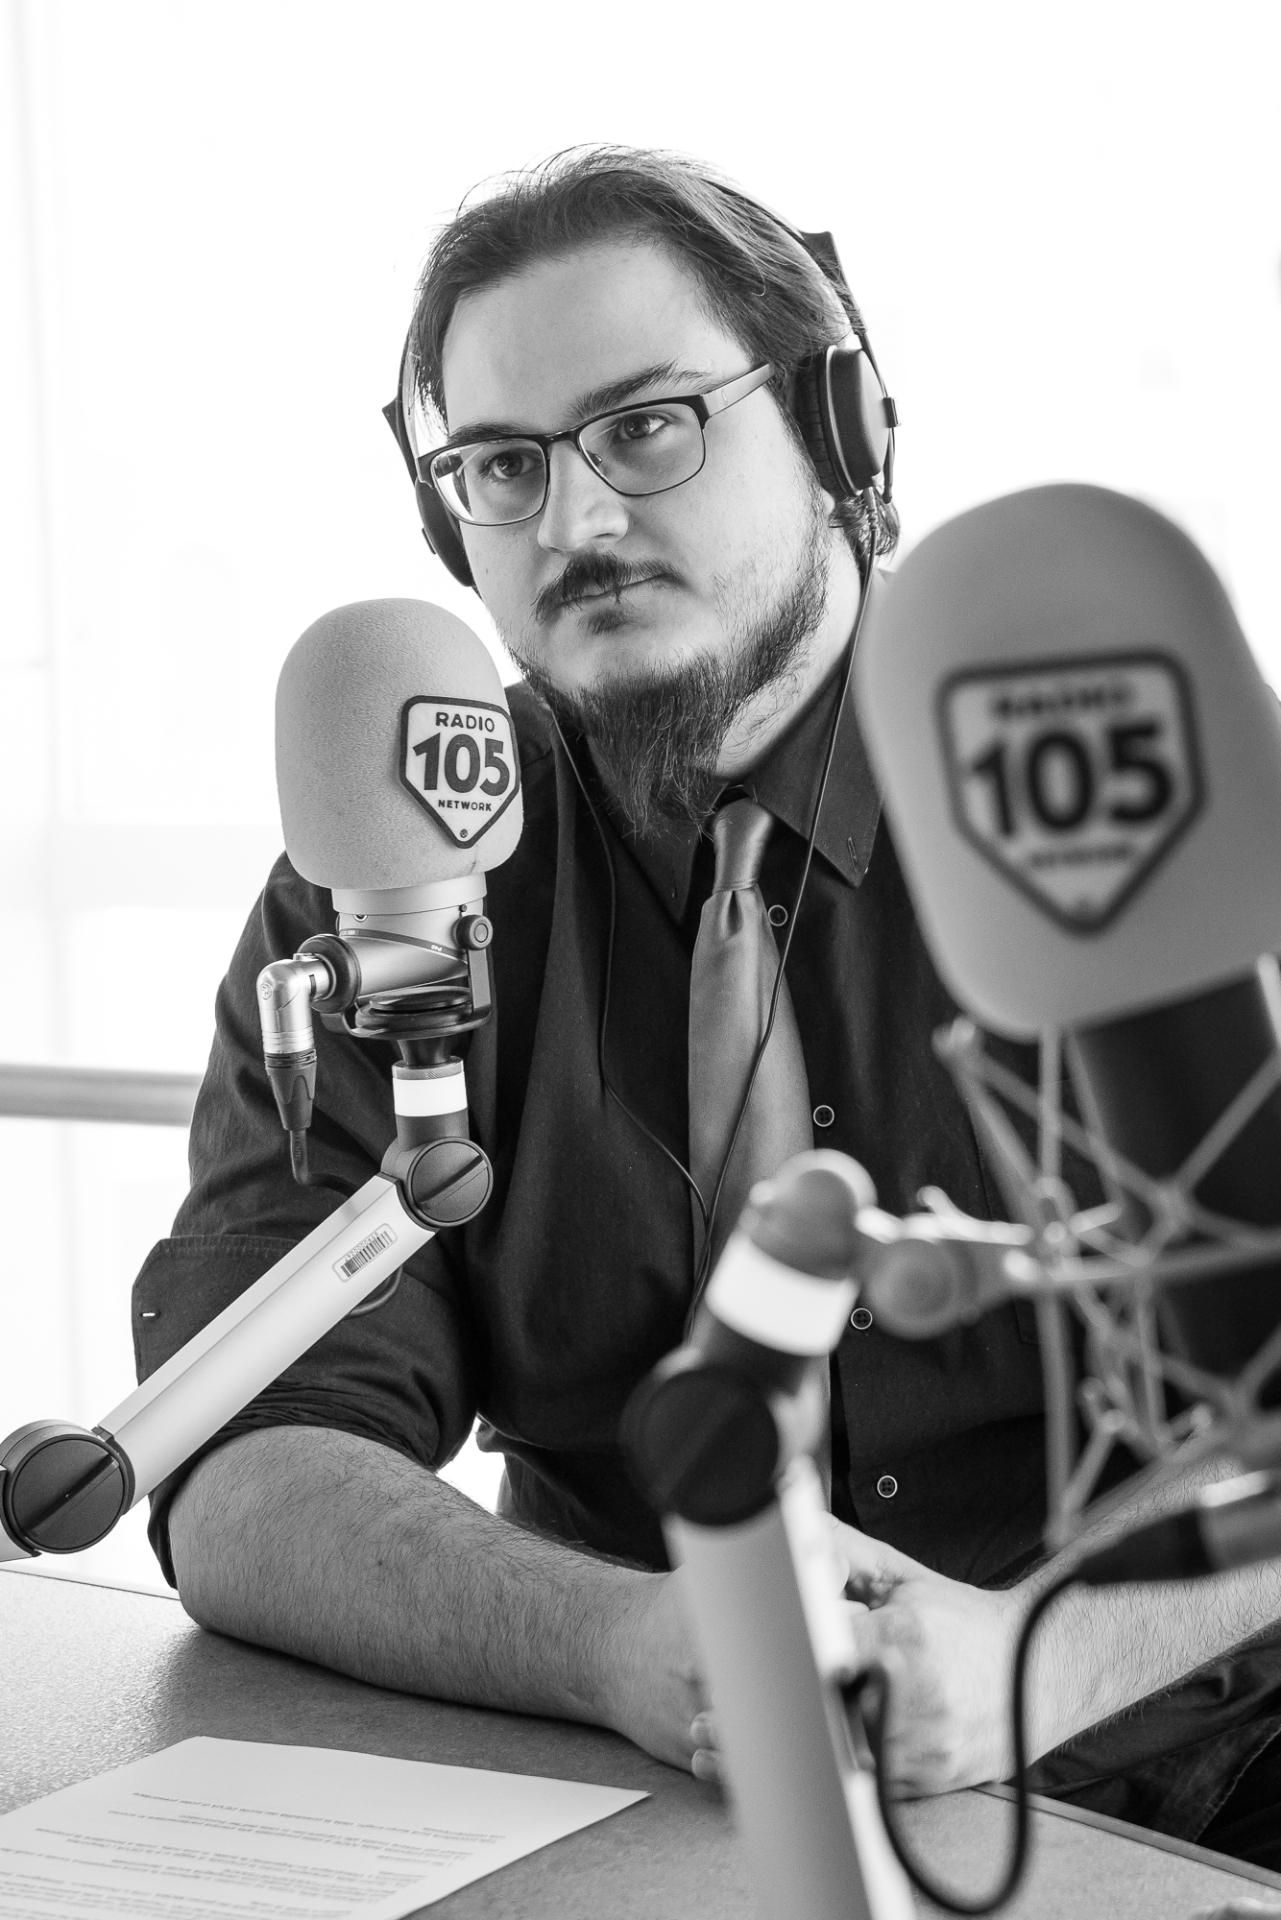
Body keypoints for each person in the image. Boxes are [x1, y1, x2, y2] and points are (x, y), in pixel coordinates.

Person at [134, 145, 1281, 1872]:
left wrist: (1035, 1661)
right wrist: (619, 1644)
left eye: (647, 426)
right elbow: (246, 1454)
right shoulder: (402, 869)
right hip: (664, 1804)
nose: (573, 522)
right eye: (501, 465)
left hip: (1214, 1773)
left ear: (838, 430)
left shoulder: (1117, 778)